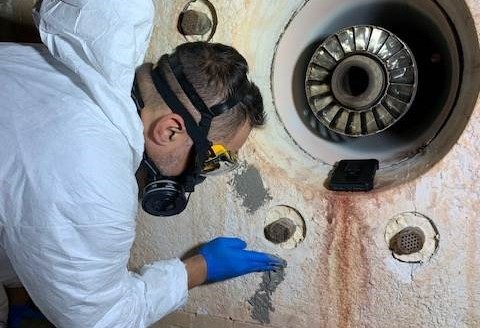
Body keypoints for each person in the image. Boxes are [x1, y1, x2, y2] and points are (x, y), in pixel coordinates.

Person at [0, 0, 285, 327]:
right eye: (212, 160)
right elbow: (103, 321)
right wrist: (198, 269)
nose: (200, 174)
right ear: (170, 130)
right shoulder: (95, 183)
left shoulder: (80, 64)